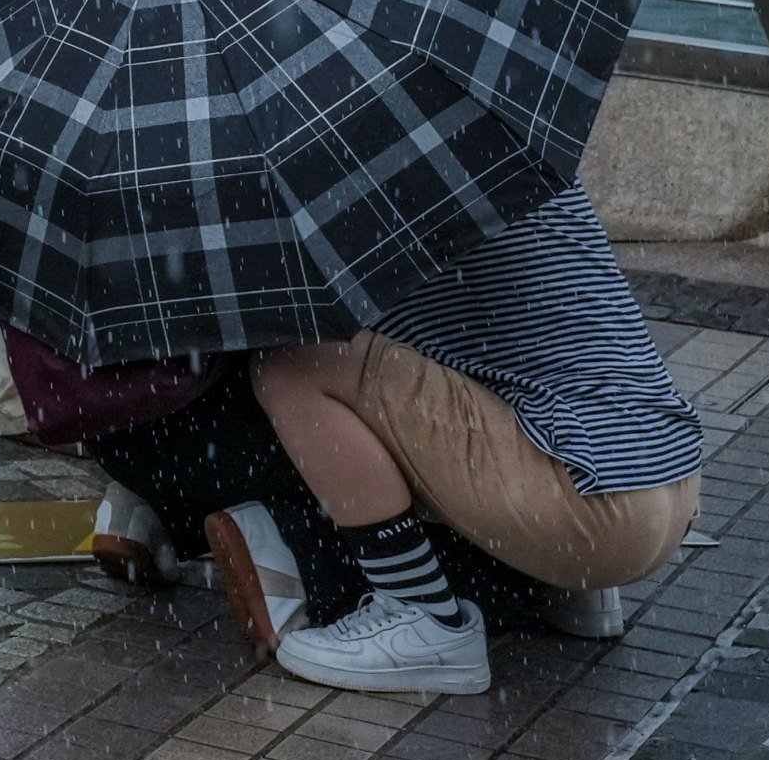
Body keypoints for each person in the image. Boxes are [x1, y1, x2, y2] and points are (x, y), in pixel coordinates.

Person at [196, 184, 704, 696]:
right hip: (667, 477)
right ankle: (572, 585)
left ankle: (422, 618)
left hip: (582, 507)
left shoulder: (352, 189)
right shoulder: (464, 143)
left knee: (294, 365)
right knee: (487, 352)